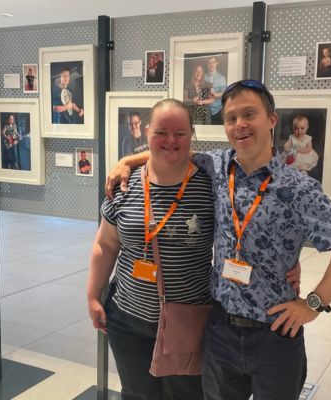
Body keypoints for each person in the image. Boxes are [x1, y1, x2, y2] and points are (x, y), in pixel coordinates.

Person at [107, 80, 331, 400]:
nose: (239, 124)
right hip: (220, 330)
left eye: (249, 114)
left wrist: (312, 304)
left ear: (272, 119)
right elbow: (171, 148)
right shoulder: (216, 166)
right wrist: (127, 162)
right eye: (231, 118)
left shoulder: (298, 187)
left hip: (274, 333)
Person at [87, 99, 214, 399]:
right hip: (128, 320)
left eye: (180, 133)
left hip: (188, 321)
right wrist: (93, 295)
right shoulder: (123, 186)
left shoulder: (210, 185)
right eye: (161, 132)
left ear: (191, 135)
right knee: (136, 393)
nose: (171, 140)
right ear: (146, 132)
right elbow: (105, 245)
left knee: (185, 395)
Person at [204, 56, 227, 125]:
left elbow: (224, 93)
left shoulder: (221, 78)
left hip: (218, 111)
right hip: (205, 111)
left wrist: (216, 95)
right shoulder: (203, 77)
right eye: (209, 63)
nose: (211, 65)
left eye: (213, 62)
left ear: (216, 63)